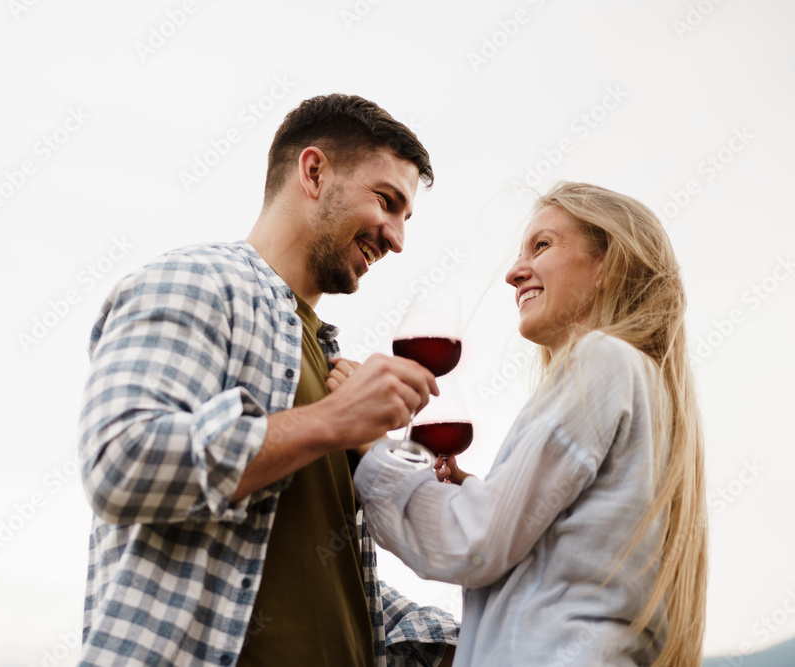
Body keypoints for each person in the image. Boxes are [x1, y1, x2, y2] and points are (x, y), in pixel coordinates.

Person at [76, 93, 459, 667]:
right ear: (313, 171)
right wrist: (333, 420)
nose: (398, 238)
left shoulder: (327, 360)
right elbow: (121, 461)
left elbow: (318, 575)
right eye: (387, 201)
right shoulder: (197, 282)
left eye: (407, 218)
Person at [350, 182, 708, 666]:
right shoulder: (644, 383)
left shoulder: (602, 361)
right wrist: (477, 492)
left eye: (542, 246)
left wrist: (371, 446)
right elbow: (569, 558)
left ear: (609, 264)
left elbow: (473, 543)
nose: (514, 273)